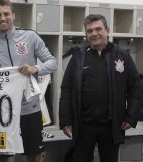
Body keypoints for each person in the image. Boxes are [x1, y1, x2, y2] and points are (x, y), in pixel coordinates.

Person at [0, 0, 57, 162]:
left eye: (6, 14)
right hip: (2, 110)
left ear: (13, 15)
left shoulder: (30, 37)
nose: (3, 18)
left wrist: (36, 68)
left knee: (33, 154)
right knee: (1, 156)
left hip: (30, 108)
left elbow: (53, 63)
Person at [59, 14, 142, 162]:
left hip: (111, 126)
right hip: (83, 125)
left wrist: (131, 116)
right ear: (86, 34)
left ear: (107, 30)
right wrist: (65, 119)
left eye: (98, 29)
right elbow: (66, 89)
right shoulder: (78, 57)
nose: (94, 33)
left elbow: (135, 87)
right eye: (90, 30)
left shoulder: (122, 55)